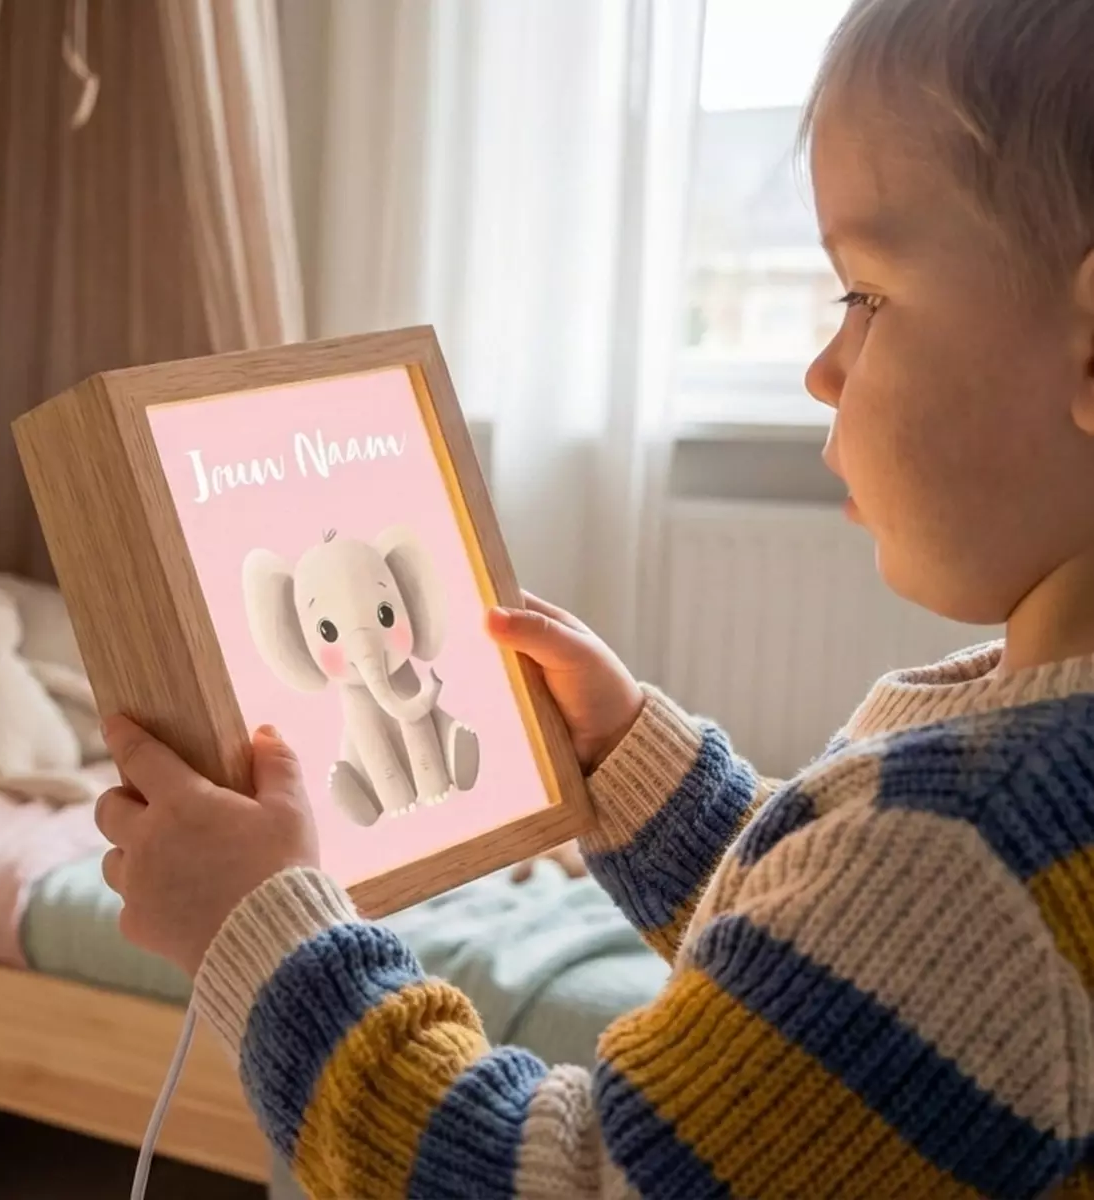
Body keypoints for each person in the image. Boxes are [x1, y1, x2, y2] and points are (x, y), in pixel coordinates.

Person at [91, 0, 1094, 1195]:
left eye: (864, 297)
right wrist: (629, 763)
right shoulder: (1019, 811)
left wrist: (265, 937)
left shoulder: (966, 841)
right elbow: (825, 989)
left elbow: (562, 1178)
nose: (824, 367)